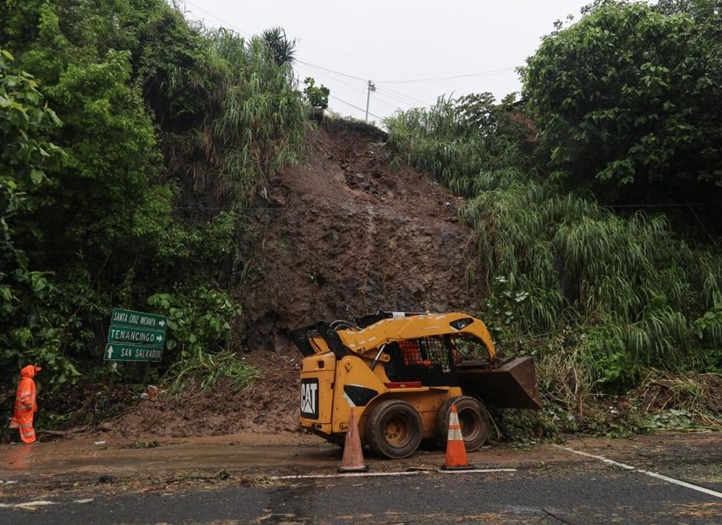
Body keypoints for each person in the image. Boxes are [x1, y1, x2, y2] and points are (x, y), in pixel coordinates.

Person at [9, 365, 42, 444]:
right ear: (31, 372)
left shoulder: (23, 381)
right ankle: (29, 440)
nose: (36, 373)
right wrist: (29, 404)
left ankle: (16, 439)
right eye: (35, 371)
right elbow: (25, 395)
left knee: (20, 423)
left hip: (20, 409)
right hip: (25, 408)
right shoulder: (28, 381)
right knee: (26, 424)